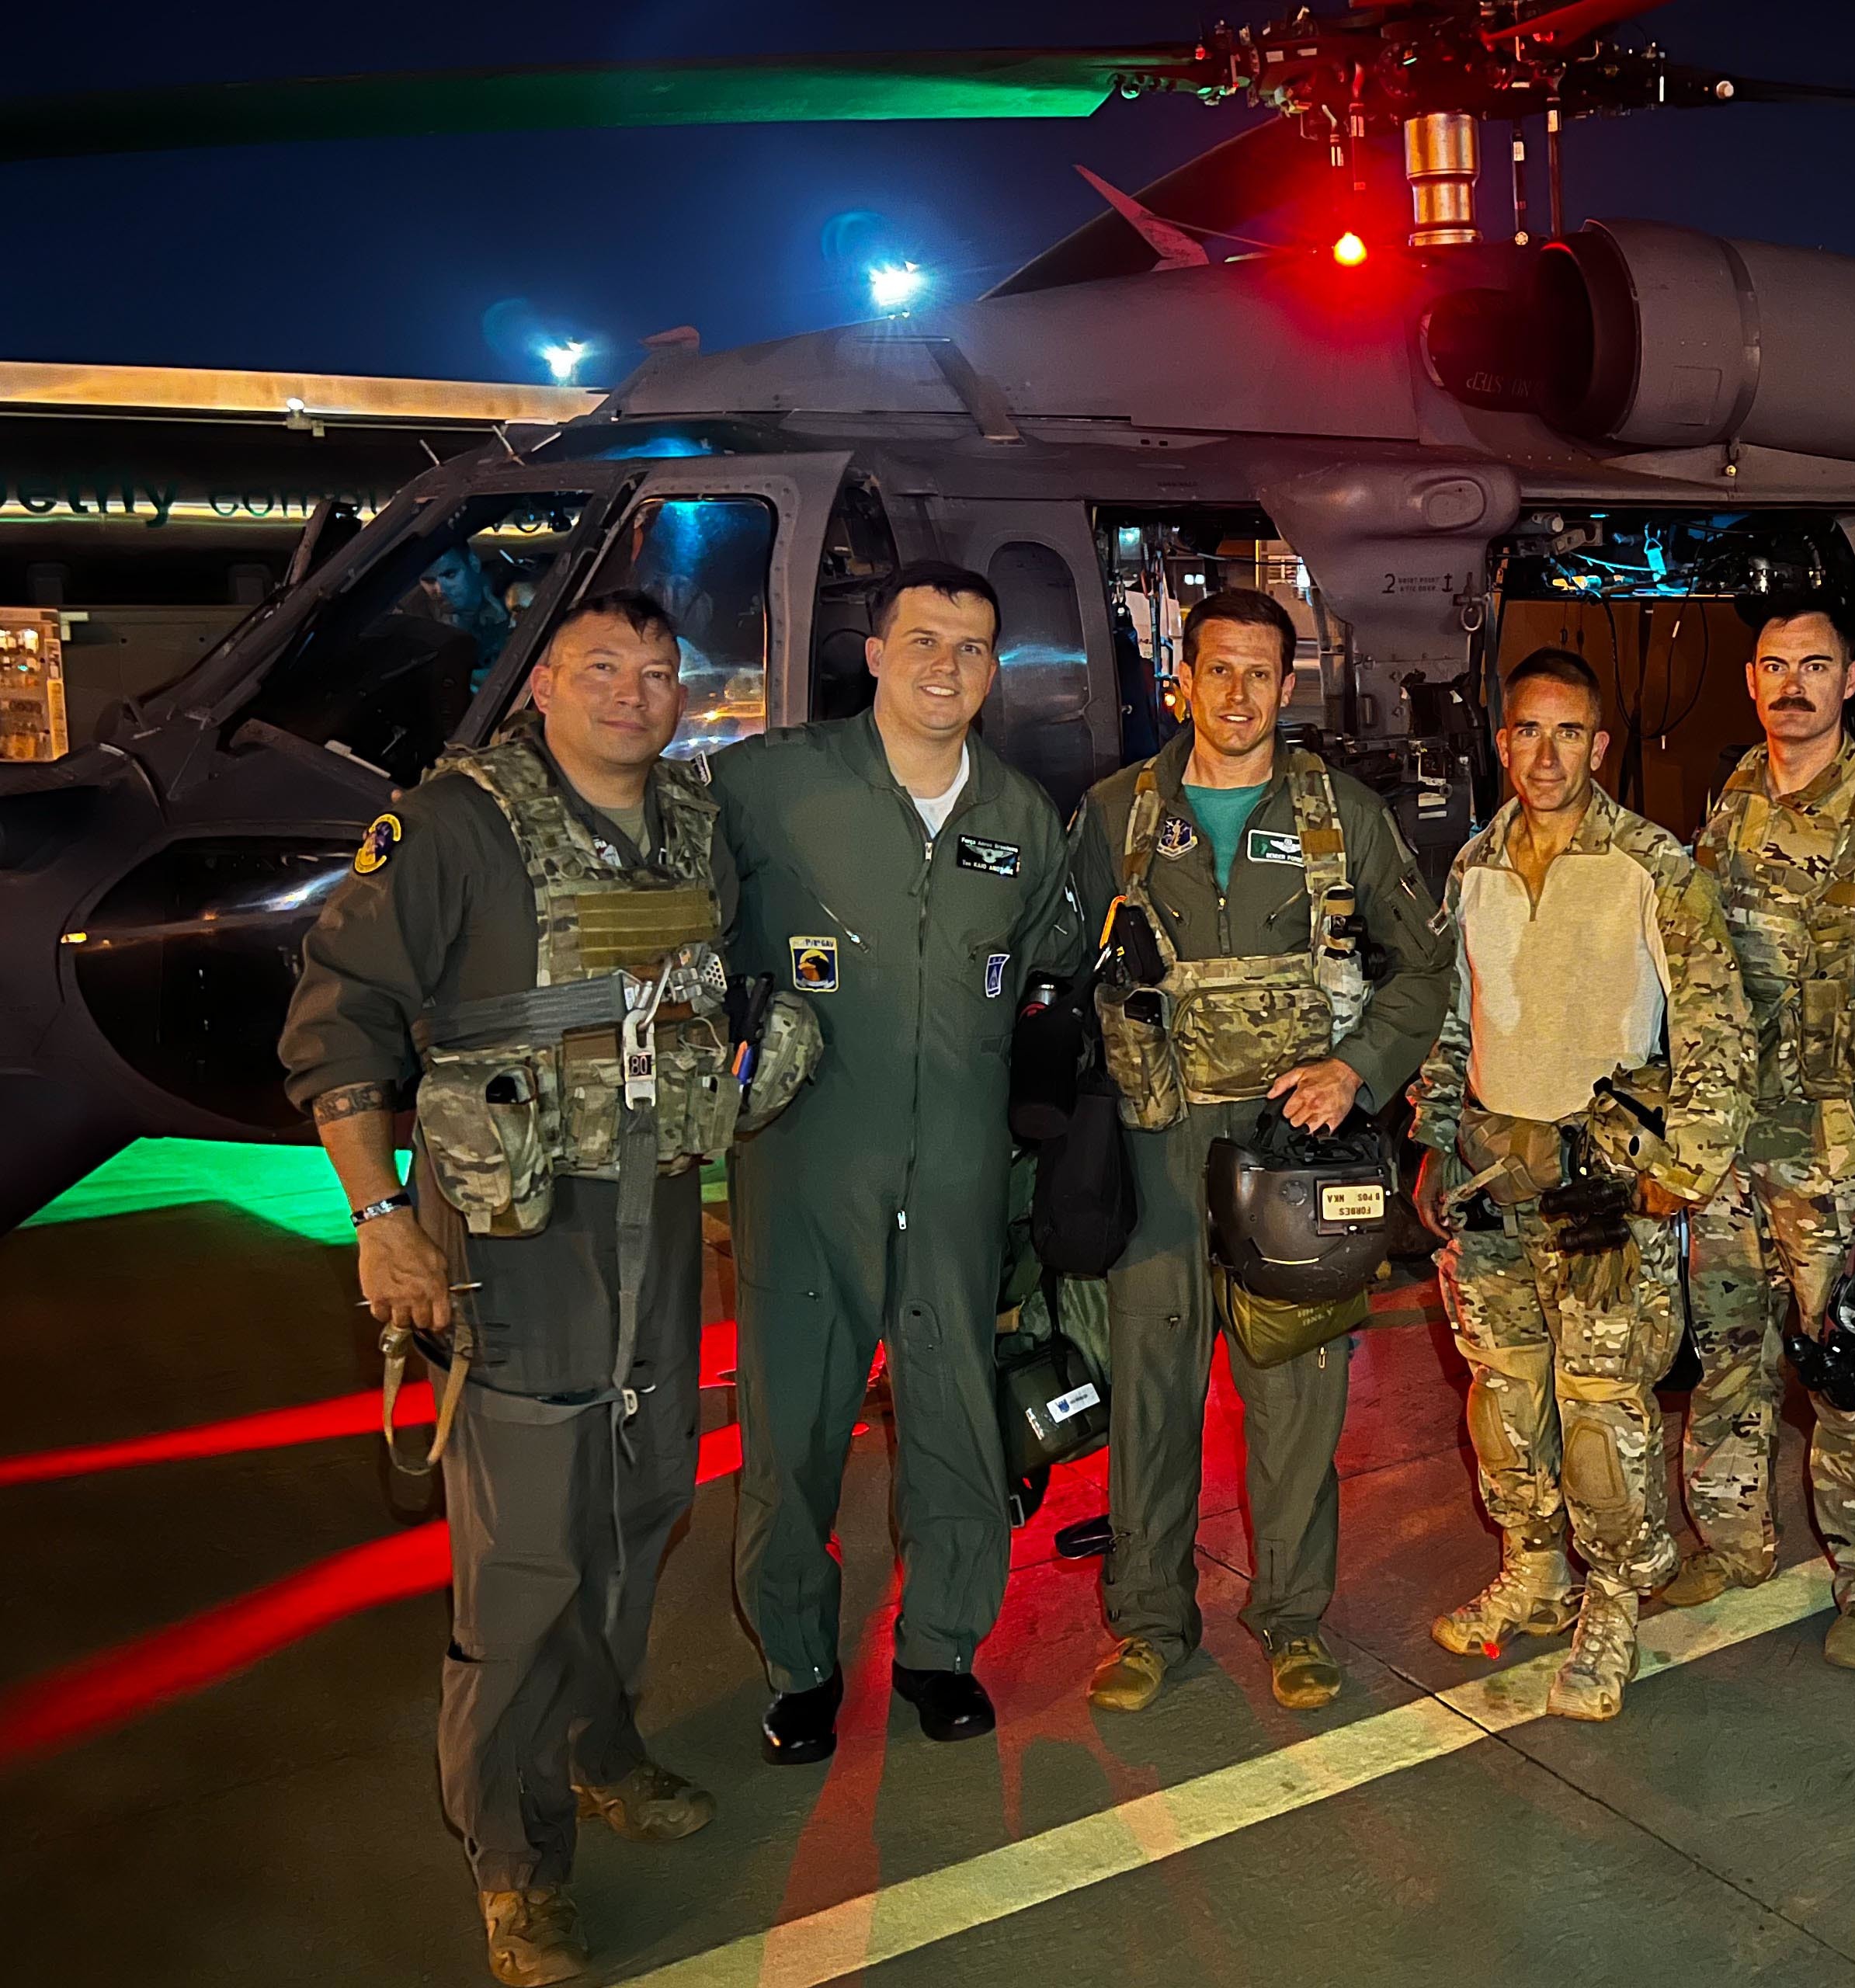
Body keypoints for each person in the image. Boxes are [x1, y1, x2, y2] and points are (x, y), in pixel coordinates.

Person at [280, 591, 739, 1987]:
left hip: (657, 1219)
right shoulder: (453, 826)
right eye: (601, 667)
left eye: (655, 672)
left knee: (644, 1500)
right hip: (512, 1234)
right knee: (530, 1554)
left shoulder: (695, 824)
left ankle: (601, 1747)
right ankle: (515, 1863)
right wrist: (379, 1219)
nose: (631, 694)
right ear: (543, 683)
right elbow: (339, 1018)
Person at [710, 561, 1081, 1763]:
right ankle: (799, 1664)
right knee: (794, 1427)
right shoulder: (766, 787)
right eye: (922, 640)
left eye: (971, 648)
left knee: (958, 1414)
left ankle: (942, 1648)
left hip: (961, 1173)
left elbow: (1049, 966)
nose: (946, 668)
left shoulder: (1020, 817)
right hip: (807, 1165)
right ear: (873, 654)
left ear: (994, 671)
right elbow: (677, 923)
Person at [1067, 586, 1450, 1714]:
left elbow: (1424, 967)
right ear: (1181, 680)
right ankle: (1149, 1623)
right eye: (1218, 669)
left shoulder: (1345, 818)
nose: (1238, 693)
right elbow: (1060, 975)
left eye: (1260, 673)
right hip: (1157, 1150)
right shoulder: (1114, 816)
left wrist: (1357, 1069)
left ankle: (1291, 1620)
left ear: (1290, 687)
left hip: (1296, 1153)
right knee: (1150, 1397)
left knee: (1295, 1393)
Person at [1414, 648, 1752, 1721]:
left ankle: (1612, 1604)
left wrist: (1680, 1171)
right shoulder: (1473, 865)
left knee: (1603, 1416)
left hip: (1602, 1194)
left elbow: (1716, 1024)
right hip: (1493, 1184)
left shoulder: (1652, 866)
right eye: (1528, 731)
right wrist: (1433, 1137)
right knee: (1506, 1399)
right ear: (1502, 742)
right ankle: (1535, 1571)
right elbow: (1450, 1019)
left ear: (1600, 746)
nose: (1547, 755)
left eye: (1569, 733)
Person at [1659, 595, 1855, 1670]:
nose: (1793, 686)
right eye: (1775, 667)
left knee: (1846, 1366)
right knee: (1727, 1348)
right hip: (1732, 1136)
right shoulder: (1738, 787)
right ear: (1751, 682)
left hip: (1834, 1142)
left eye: (1815, 666)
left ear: (1851, 681)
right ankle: (1733, 1543)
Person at [419, 544, 519, 688]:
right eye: (429, 581)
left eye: (450, 575)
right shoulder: (424, 625)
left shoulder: (518, 596)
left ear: (474, 563)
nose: (439, 590)